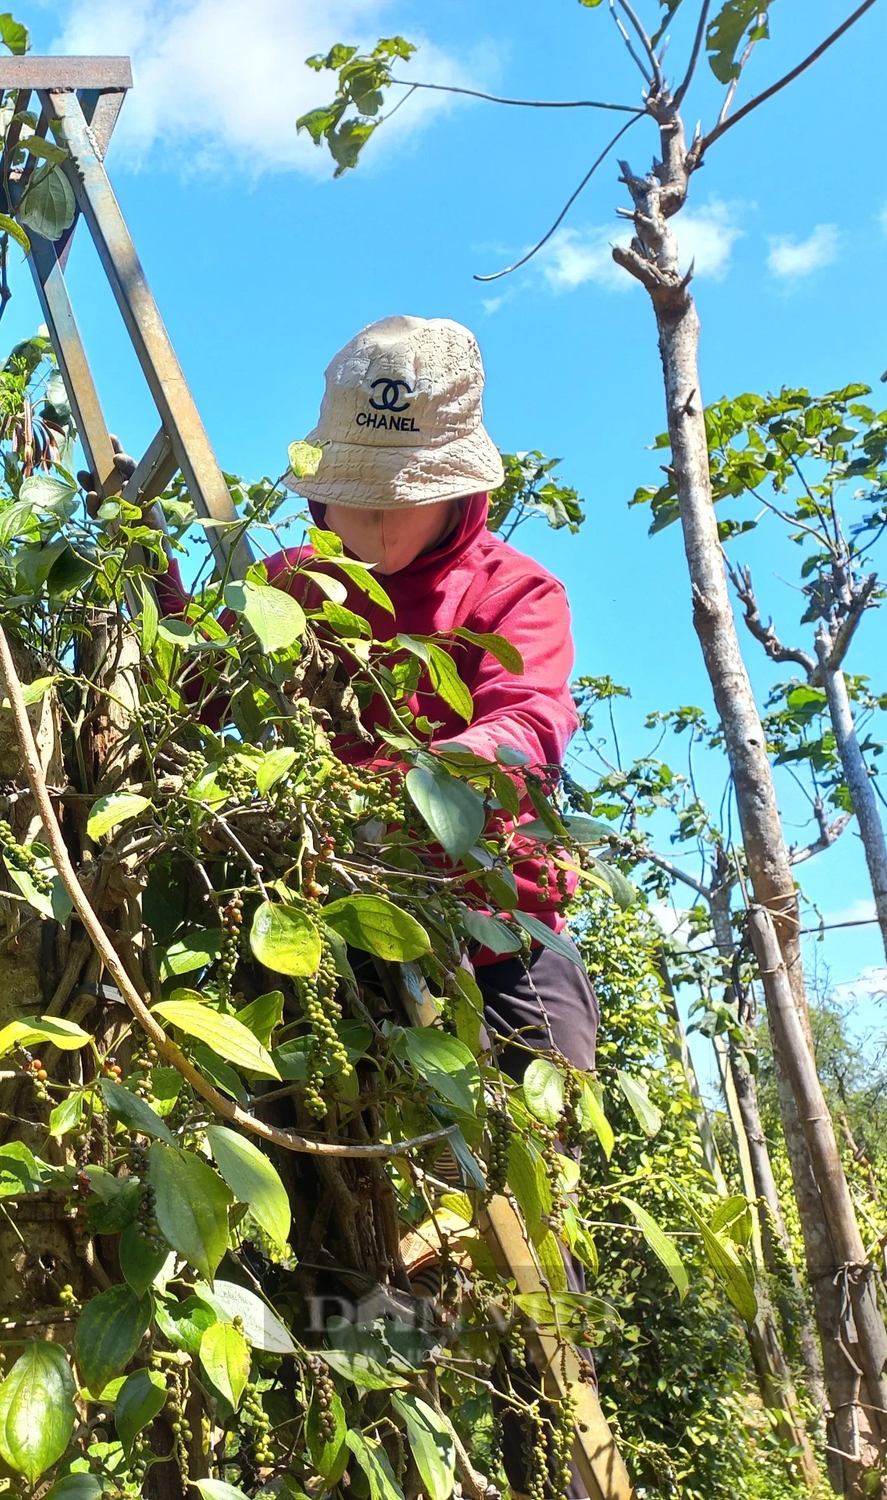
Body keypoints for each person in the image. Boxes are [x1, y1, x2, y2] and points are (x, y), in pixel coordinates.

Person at [278, 315, 597, 1498]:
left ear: (455, 490)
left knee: (525, 1219)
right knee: (345, 1228)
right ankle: (386, 1446)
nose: (359, 526)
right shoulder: (291, 588)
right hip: (343, 941)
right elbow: (205, 693)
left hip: (495, 933)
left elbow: (526, 726)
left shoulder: (515, 591)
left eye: (389, 502)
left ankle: (551, 1458)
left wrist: (415, 786)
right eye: (346, 497)